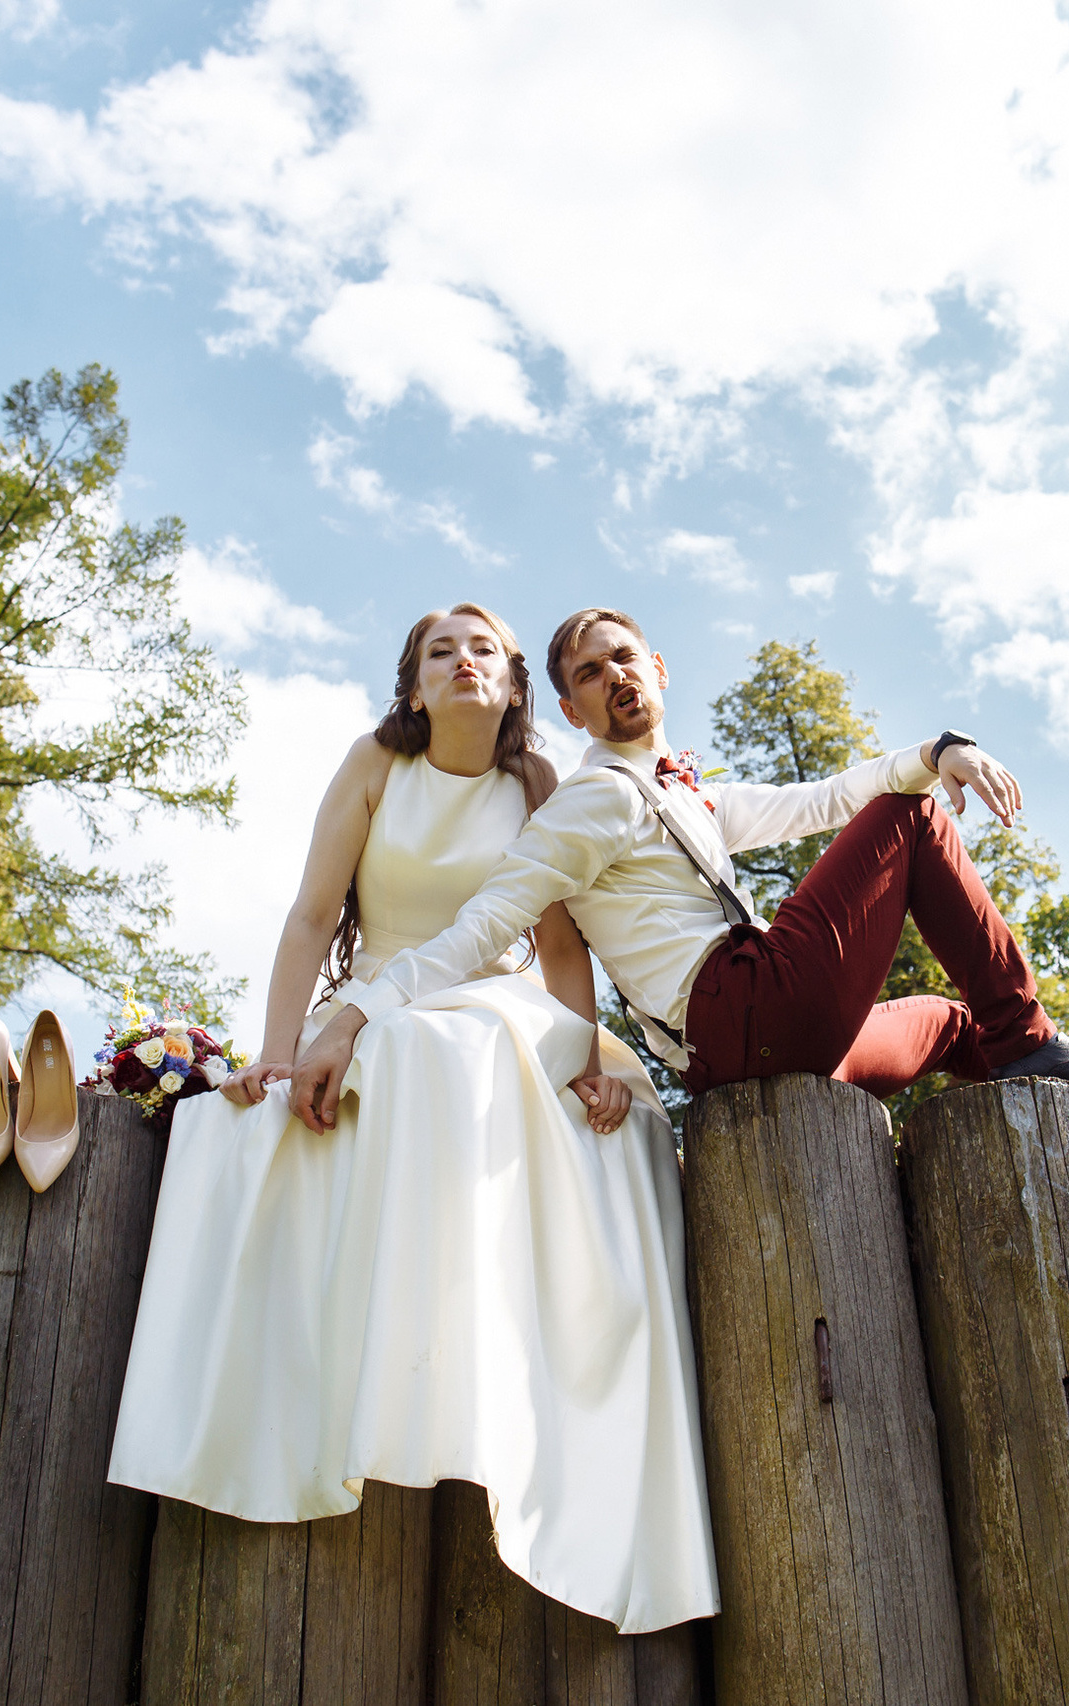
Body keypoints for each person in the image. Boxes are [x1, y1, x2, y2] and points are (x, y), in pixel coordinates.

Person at [107, 603, 717, 1637]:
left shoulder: (538, 784)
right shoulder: (374, 765)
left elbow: (562, 950)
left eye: (484, 647)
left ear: (517, 683)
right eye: (442, 649)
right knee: (330, 1089)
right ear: (413, 683)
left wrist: (581, 1056)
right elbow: (311, 914)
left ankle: (510, 1408)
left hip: (501, 1000)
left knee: (491, 1064)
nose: (464, 659)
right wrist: (276, 1049)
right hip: (376, 992)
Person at [285, 606, 1069, 1133]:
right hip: (739, 1009)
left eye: (625, 659)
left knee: (944, 1020)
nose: (614, 676)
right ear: (572, 713)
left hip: (761, 1055)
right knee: (909, 819)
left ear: (658, 669)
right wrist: (353, 1018)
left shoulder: (684, 794)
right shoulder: (593, 799)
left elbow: (821, 799)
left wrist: (935, 746)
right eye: (587, 674)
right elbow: (487, 922)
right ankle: (1029, 1039)